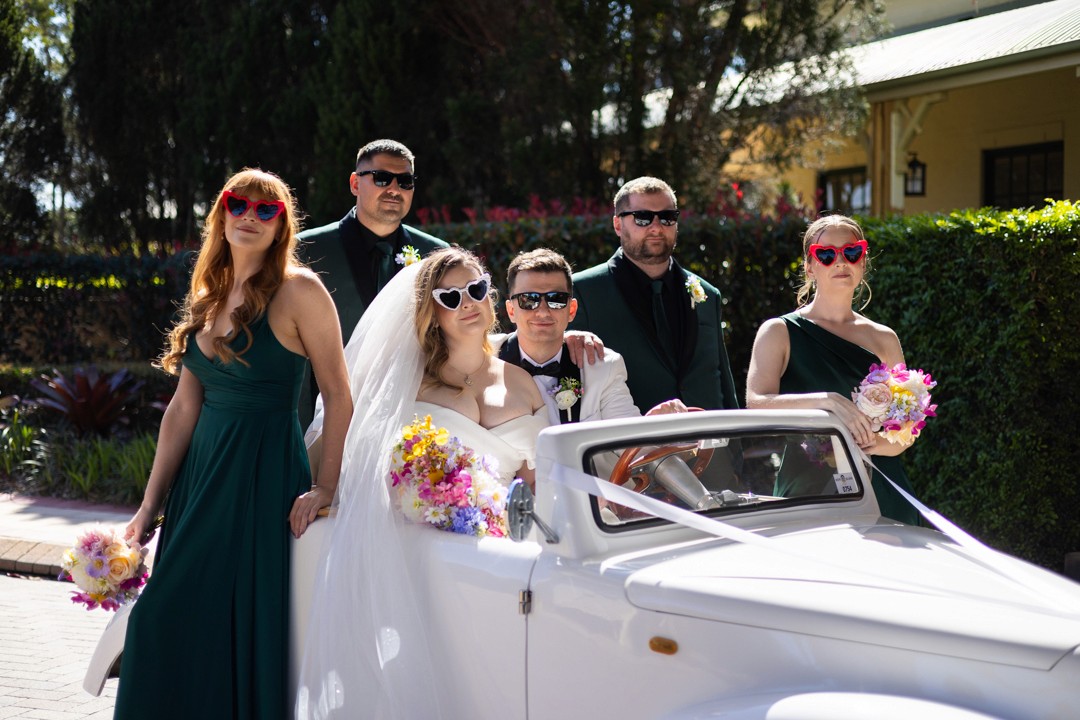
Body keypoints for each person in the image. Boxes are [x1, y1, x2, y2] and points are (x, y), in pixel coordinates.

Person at [113, 169, 352, 719]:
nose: (249, 215)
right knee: (175, 620)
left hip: (259, 474)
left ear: (281, 225)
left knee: (177, 618)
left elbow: (339, 395)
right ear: (221, 213)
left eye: (265, 210)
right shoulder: (209, 291)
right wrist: (150, 505)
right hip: (200, 478)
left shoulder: (300, 291)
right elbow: (183, 407)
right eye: (237, 203)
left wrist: (326, 487)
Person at [297, 247, 547, 718]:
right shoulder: (406, 383)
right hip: (420, 553)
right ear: (431, 311)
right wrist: (327, 490)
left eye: (475, 290)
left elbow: (536, 485)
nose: (467, 303)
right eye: (449, 297)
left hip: (505, 553)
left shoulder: (523, 383)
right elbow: (359, 456)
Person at [745, 214, 918, 525]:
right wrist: (827, 400)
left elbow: (905, 430)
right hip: (808, 492)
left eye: (851, 252)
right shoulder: (779, 331)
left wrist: (872, 445)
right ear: (810, 266)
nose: (841, 262)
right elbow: (756, 402)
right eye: (826, 255)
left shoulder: (884, 338)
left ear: (862, 262)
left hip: (881, 490)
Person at [297, 138, 447, 427]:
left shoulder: (436, 256)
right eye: (381, 178)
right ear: (355, 183)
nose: (394, 189)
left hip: (410, 418)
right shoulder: (305, 250)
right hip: (324, 418)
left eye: (405, 181)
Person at [569, 176, 739, 411]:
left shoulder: (708, 294)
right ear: (618, 225)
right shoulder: (582, 292)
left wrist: (733, 444)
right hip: (631, 441)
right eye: (643, 218)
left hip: (708, 440)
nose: (657, 227)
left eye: (667, 218)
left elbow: (721, 379)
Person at [496, 247, 686, 424]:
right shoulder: (483, 360)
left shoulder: (603, 367)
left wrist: (654, 425)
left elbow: (629, 444)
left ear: (572, 310)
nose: (543, 311)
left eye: (556, 300)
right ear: (511, 310)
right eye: (529, 300)